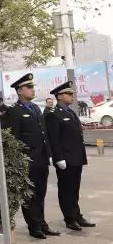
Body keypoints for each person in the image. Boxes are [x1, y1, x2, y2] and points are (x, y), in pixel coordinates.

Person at [4, 73, 59, 239]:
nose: (32, 90)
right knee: (30, 195)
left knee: (40, 193)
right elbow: (14, 137)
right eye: (29, 87)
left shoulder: (35, 108)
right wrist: (17, 160)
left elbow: (44, 134)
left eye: (32, 87)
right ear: (19, 91)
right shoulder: (14, 111)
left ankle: (42, 223)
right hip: (27, 160)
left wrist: (49, 154)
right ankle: (34, 226)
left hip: (41, 158)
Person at [45, 81, 96, 231]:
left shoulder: (70, 112)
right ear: (60, 96)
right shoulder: (54, 114)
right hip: (65, 158)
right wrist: (58, 157)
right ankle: (69, 217)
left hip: (76, 157)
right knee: (66, 189)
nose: (72, 96)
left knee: (74, 189)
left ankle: (76, 215)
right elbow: (54, 138)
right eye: (68, 94)